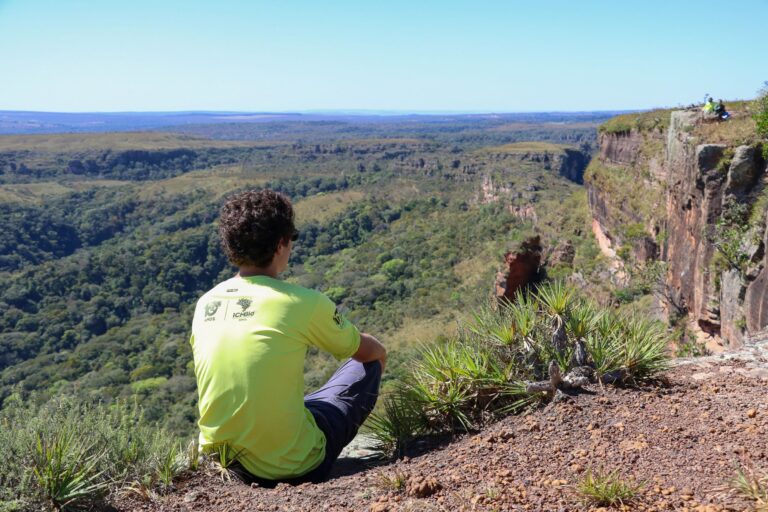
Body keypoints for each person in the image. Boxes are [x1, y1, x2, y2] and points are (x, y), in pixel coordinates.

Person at [190, 189, 386, 486]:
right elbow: (368, 352)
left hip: (223, 463)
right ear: (281, 243)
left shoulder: (206, 303)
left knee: (298, 400)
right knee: (370, 364)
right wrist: (378, 350)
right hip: (297, 465)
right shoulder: (303, 302)